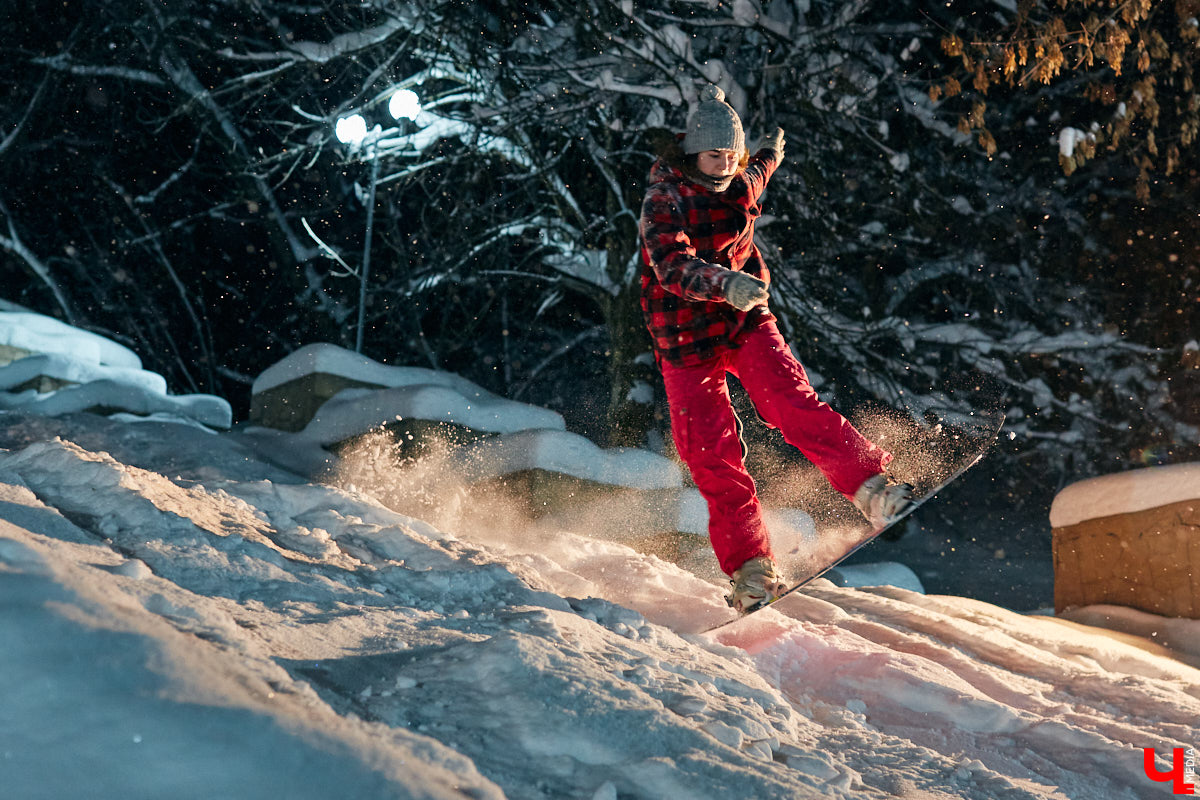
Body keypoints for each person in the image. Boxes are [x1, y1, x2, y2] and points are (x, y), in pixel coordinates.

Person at [638, 85, 912, 613]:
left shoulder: (740, 176)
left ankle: (875, 489)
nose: (723, 166)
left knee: (790, 400)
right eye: (713, 156)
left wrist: (769, 152)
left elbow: (761, 168)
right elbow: (669, 266)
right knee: (711, 455)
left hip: (743, 322)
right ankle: (751, 571)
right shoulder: (664, 197)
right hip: (684, 337)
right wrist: (723, 284)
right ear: (692, 152)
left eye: (731, 157)